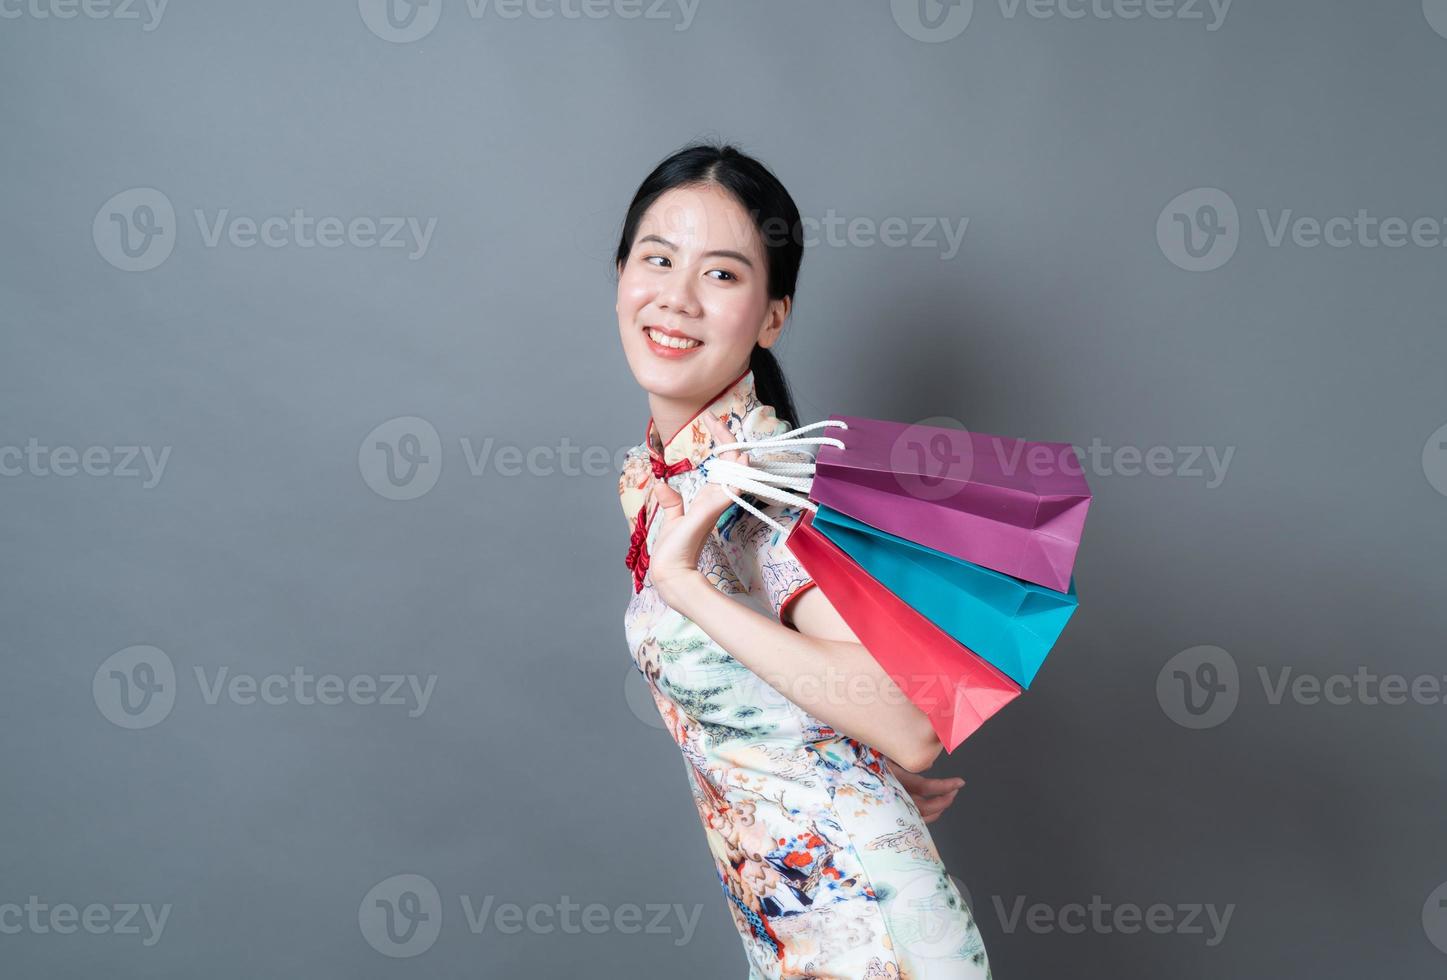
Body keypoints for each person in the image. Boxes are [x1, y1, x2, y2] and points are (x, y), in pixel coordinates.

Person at [616, 142, 991, 978]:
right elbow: (815, 689)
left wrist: (682, 587)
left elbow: (910, 723)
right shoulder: (669, 474)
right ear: (620, 273)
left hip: (869, 944)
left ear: (772, 314)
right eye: (657, 258)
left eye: (720, 275)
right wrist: (840, 755)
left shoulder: (764, 486)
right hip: (798, 930)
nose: (675, 297)